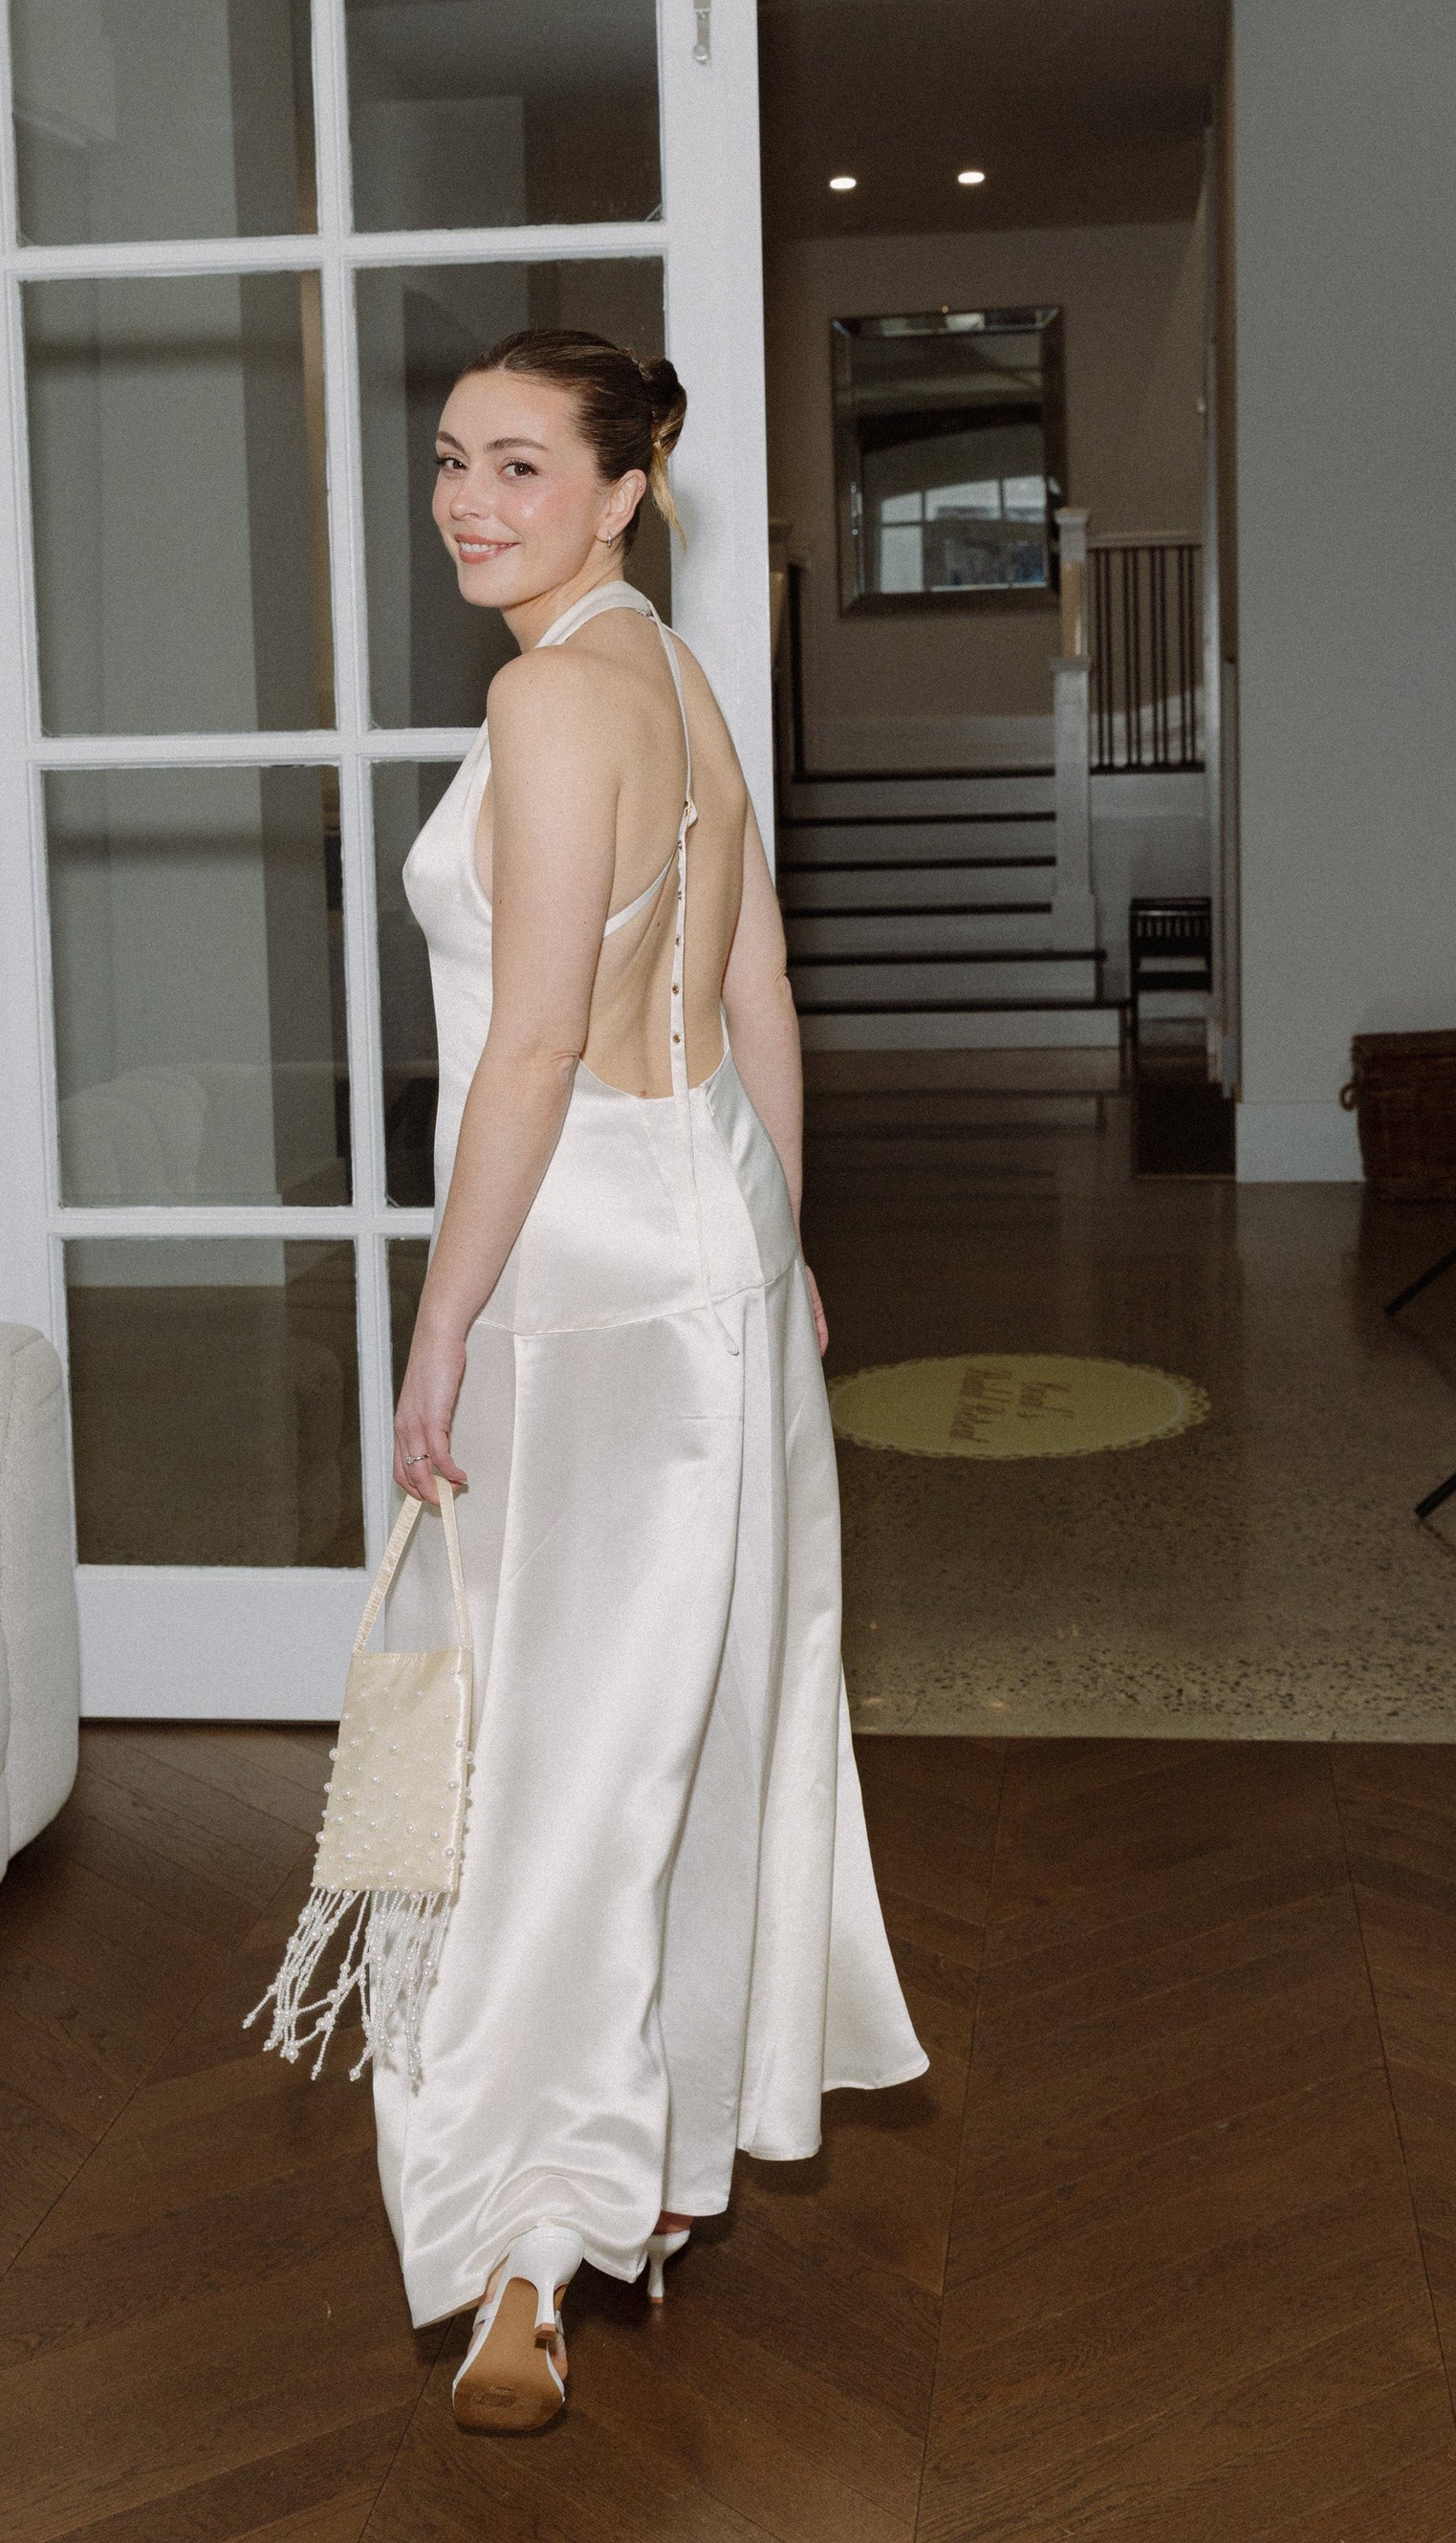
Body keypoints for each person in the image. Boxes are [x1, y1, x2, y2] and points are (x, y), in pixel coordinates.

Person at [379, 328, 925, 2433]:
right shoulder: (682, 680)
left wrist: (441, 1322)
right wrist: (779, 1244)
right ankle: (657, 2175)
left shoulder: (545, 695)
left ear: (625, 487)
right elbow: (762, 983)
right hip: (706, 1233)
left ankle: (532, 2227)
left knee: (548, 1754)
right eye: (448, 460)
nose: (469, 499)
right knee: (694, 1719)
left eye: (521, 464)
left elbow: (525, 1048)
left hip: (582, 1270)